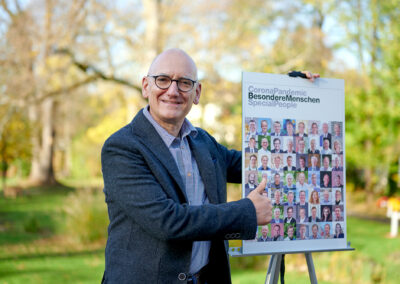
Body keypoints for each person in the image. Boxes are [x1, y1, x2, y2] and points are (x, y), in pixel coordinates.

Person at [101, 48, 280, 283]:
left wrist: (299, 91)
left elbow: (263, 163)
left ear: (197, 93)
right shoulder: (123, 147)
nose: (173, 91)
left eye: (184, 82)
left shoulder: (204, 142)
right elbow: (168, 222)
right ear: (146, 86)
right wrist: (246, 211)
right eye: (163, 80)